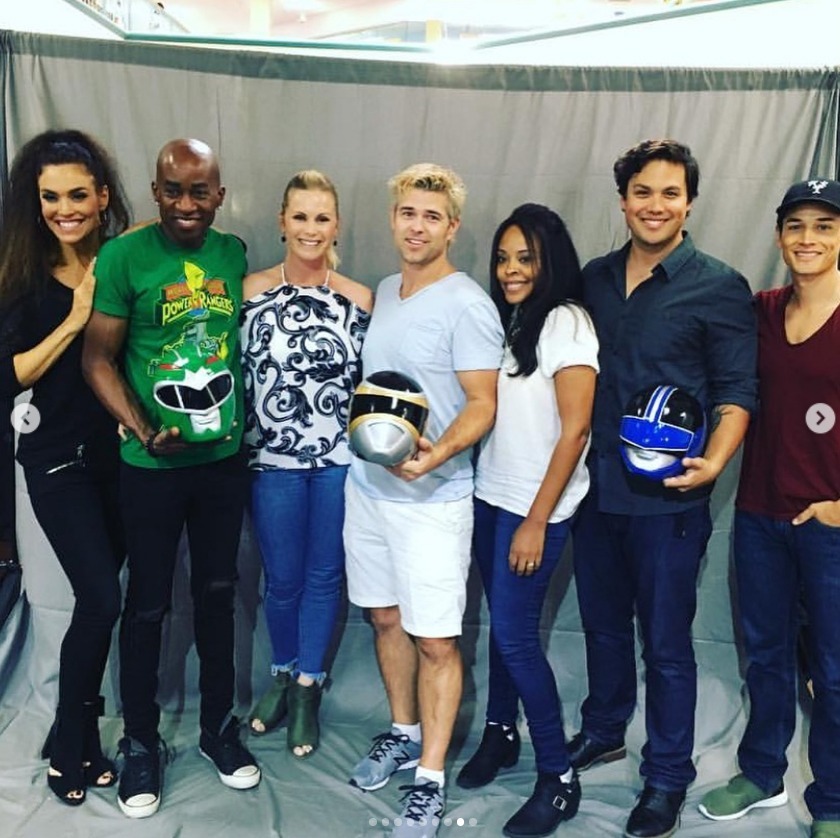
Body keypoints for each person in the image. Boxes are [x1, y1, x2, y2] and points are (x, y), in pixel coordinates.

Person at [569, 139, 757, 838]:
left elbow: (738, 390)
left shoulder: (719, 286)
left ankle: (667, 776)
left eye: (670, 193)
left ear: (690, 203)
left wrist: (714, 462)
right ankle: (604, 730)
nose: (656, 205)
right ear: (623, 200)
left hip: (670, 502)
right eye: (642, 191)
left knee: (667, 644)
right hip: (594, 493)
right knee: (602, 627)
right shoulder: (590, 279)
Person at [82, 138, 260, 818]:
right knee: (148, 605)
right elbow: (97, 360)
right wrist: (139, 426)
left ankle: (218, 728)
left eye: (200, 191)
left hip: (221, 464)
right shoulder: (123, 257)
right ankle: (140, 742)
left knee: (217, 594)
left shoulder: (232, 254)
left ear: (219, 195)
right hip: (151, 467)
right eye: (173, 190)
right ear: (155, 192)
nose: (187, 203)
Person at [344, 163, 503, 837]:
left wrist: (435, 457)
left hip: (433, 500)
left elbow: (483, 403)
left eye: (431, 216)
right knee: (385, 618)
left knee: (436, 640)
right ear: (393, 218)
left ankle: (430, 780)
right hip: (368, 490)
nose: (417, 226)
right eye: (408, 212)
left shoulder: (468, 304)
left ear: (452, 227)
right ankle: (403, 733)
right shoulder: (387, 290)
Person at [697, 179, 840, 838]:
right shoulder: (760, 310)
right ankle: (761, 773)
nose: (808, 239)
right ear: (780, 235)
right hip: (758, 515)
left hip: (828, 527)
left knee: (834, 672)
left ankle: (833, 801)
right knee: (765, 657)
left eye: (824, 226)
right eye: (796, 226)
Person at [455, 203, 598, 837]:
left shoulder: (567, 321)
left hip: (534, 508)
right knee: (499, 627)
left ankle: (557, 777)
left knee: (516, 637)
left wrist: (536, 520)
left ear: (551, 262)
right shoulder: (514, 319)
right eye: (503, 258)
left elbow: (575, 431)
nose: (511, 270)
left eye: (526, 259)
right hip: (491, 494)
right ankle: (499, 732)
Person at [0, 129, 130, 806]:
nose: (64, 209)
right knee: (101, 599)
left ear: (102, 197)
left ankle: (76, 734)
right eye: (51, 197)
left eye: (77, 195)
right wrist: (76, 318)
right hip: (57, 463)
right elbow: (9, 374)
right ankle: (69, 737)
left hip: (122, 461)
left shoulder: (125, 260)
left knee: (103, 605)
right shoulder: (22, 274)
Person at [241, 170, 373, 757]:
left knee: (324, 577)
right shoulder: (249, 292)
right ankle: (281, 673)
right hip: (271, 460)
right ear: (282, 222)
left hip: (338, 462)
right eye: (300, 216)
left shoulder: (360, 299)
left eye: (322, 217)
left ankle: (307, 688)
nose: (311, 229)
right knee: (281, 579)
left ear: (336, 225)